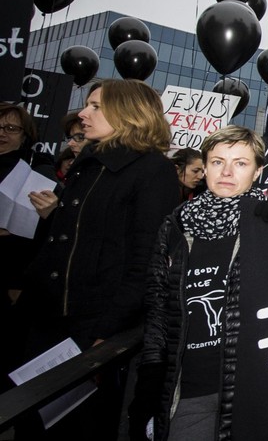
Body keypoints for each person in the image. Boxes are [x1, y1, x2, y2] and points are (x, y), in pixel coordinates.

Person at [19, 80, 178, 440]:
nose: (83, 114)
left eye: (95, 107)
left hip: (94, 328)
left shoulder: (151, 171)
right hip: (47, 318)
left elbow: (147, 260)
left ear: (128, 113)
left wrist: (105, 333)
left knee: (78, 427)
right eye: (86, 105)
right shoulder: (86, 164)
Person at [130, 126, 268, 441]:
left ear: (258, 171)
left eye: (241, 163)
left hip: (249, 385)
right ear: (205, 167)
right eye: (218, 161)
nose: (227, 171)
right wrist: (151, 382)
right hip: (188, 385)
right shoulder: (175, 226)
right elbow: (157, 308)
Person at [0, 104, 56, 380]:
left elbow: (39, 240)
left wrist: (17, 283)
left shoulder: (34, 176)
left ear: (25, 136)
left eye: (11, 128)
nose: (3, 133)